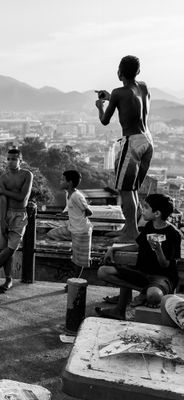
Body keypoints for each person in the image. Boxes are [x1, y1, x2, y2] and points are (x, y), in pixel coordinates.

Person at [96, 194, 181, 320]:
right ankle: (134, 299)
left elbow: (165, 265)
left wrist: (158, 250)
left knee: (154, 296)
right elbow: (137, 245)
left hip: (162, 278)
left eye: (146, 207)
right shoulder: (149, 226)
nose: (142, 210)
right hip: (142, 273)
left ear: (157, 213)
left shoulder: (173, 234)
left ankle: (143, 295)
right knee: (103, 272)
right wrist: (113, 249)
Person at [96, 55, 153, 242]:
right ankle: (130, 228)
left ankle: (131, 232)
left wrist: (100, 106)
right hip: (147, 140)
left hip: (132, 141)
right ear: (138, 71)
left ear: (119, 72)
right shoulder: (143, 87)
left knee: (125, 190)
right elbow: (132, 103)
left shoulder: (118, 92)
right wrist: (112, 98)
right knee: (133, 188)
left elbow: (105, 121)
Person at [0, 148, 33, 292]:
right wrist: (3, 220)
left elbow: (22, 197)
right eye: (9, 159)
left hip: (20, 213)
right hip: (4, 212)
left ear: (20, 160)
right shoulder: (3, 178)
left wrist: (3, 191)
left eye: (14, 159)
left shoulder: (27, 175)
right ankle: (8, 279)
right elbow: (3, 200)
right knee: (3, 248)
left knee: (11, 248)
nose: (11, 161)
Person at [47, 170, 93, 270]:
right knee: (51, 234)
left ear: (70, 183)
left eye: (63, 180)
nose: (60, 182)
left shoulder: (77, 196)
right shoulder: (68, 194)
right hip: (72, 229)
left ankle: (76, 279)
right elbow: (70, 208)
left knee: (79, 262)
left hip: (81, 231)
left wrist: (78, 217)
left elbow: (89, 212)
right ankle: (77, 246)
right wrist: (63, 214)